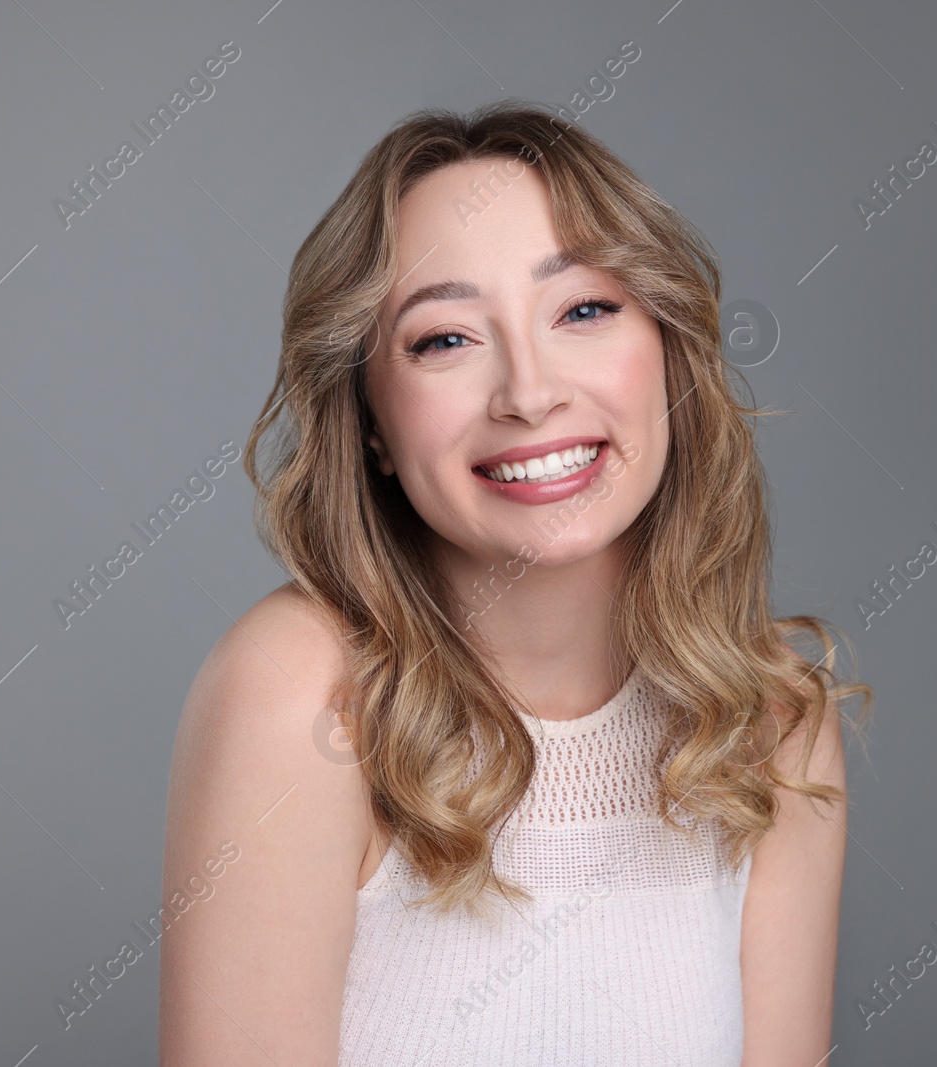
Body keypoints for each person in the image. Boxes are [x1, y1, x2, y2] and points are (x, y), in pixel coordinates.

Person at [158, 100, 872, 1066]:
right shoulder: (302, 694)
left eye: (583, 309)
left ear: (666, 351)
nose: (530, 393)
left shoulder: (775, 721)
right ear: (370, 419)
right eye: (446, 338)